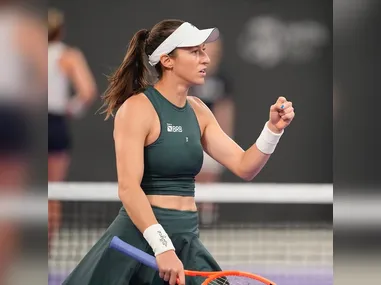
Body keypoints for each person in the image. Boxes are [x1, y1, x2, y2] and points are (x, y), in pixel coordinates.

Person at [63, 19, 295, 285]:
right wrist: (162, 247)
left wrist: (273, 130)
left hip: (186, 238)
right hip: (141, 238)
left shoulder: (199, 111)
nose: (206, 58)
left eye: (204, 51)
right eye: (195, 51)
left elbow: (245, 166)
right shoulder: (137, 109)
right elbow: (128, 188)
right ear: (167, 60)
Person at [48, 7, 97, 255]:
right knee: (51, 191)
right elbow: (87, 91)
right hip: (52, 125)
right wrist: (70, 109)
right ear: (61, 30)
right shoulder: (67, 56)